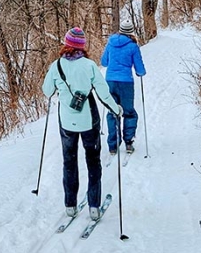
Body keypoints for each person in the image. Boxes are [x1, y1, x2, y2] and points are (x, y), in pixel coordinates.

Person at [42, 27, 122, 221]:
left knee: (69, 161)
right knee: (93, 161)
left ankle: (70, 205)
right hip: (88, 121)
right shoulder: (90, 65)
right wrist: (116, 109)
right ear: (82, 46)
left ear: (66, 44)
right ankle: (94, 206)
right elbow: (103, 93)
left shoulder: (56, 65)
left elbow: (46, 91)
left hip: (67, 121)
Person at [100, 22, 147, 154]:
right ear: (131, 32)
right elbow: (139, 68)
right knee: (129, 112)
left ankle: (113, 146)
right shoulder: (133, 46)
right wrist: (141, 73)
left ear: (120, 30)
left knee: (113, 111)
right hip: (126, 82)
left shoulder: (110, 43)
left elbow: (104, 62)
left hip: (110, 81)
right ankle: (128, 142)